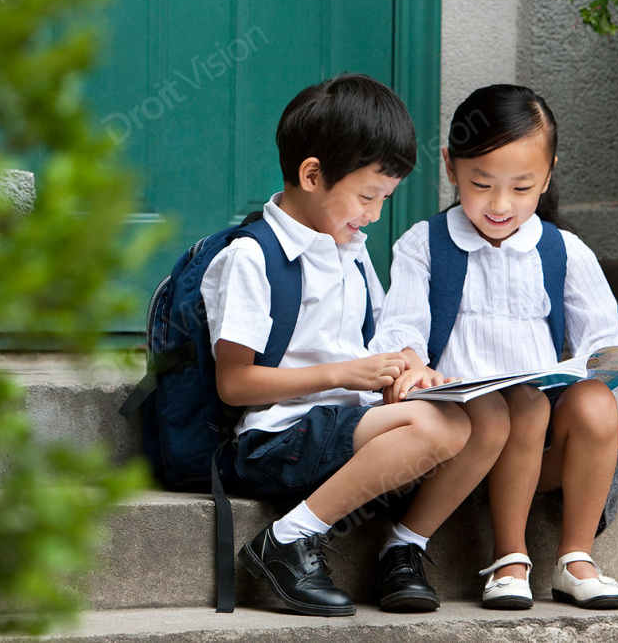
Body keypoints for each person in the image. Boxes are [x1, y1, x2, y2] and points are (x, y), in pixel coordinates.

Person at [201, 74, 513, 617]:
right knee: (440, 427)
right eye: (368, 196)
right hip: (276, 437)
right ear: (312, 175)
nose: (373, 214)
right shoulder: (252, 257)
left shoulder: (352, 251)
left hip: (347, 424)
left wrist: (409, 367)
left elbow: (379, 337)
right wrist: (346, 374)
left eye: (384, 199)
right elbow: (234, 384)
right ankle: (286, 540)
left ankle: (404, 547)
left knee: (488, 415)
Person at [370, 84, 618, 610]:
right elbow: (402, 334)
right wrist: (413, 365)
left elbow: (603, 346)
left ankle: (575, 559)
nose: (500, 204)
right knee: (522, 406)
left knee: (592, 401)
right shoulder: (426, 244)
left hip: (539, 454)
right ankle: (509, 558)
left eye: (521, 187)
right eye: (482, 184)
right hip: (460, 445)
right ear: (450, 167)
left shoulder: (564, 250)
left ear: (548, 175)